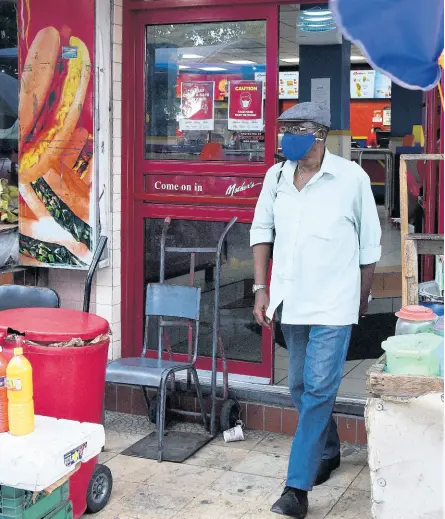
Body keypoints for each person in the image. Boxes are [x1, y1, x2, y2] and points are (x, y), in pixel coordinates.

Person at [250, 102, 381, 518]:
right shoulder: (276, 178)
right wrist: (260, 287)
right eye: (286, 137)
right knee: (300, 389)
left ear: (321, 136)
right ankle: (328, 449)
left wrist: (361, 297)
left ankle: (296, 488)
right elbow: (261, 230)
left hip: (335, 302)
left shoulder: (351, 178)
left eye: (300, 138)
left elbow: (369, 244)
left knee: (320, 388)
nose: (293, 147)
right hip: (292, 300)